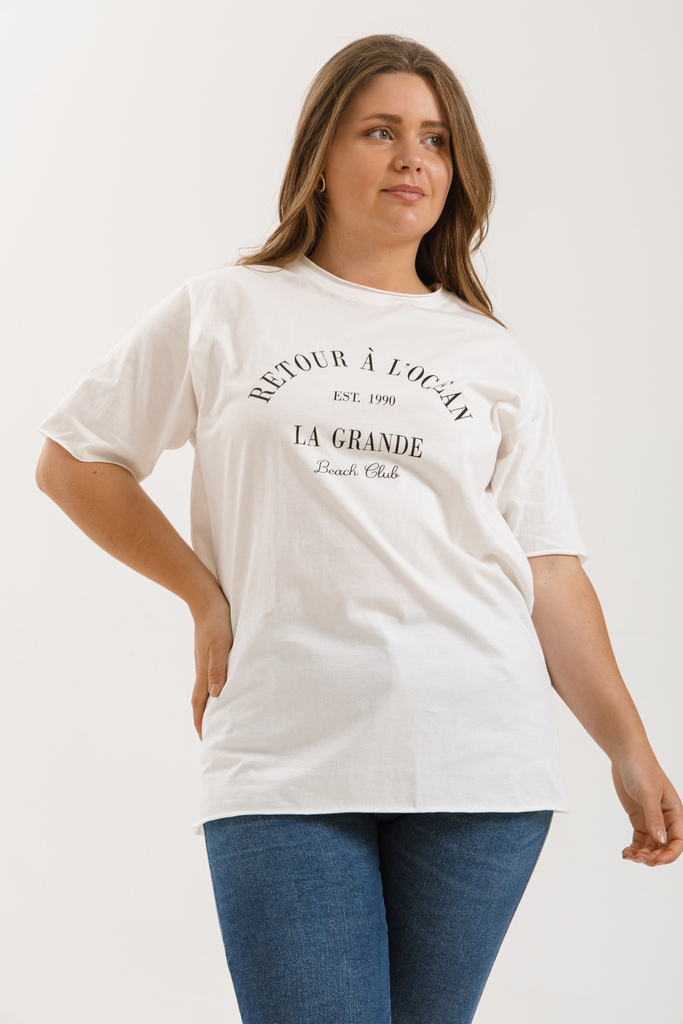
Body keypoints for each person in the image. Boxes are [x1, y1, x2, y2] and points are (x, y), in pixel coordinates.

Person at [35, 32, 681, 1024]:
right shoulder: (225, 308)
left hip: (477, 759)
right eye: (379, 131)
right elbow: (75, 460)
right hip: (280, 753)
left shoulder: (489, 355)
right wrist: (202, 593)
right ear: (319, 156)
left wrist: (627, 747)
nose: (411, 157)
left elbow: (549, 571)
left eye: (434, 139)